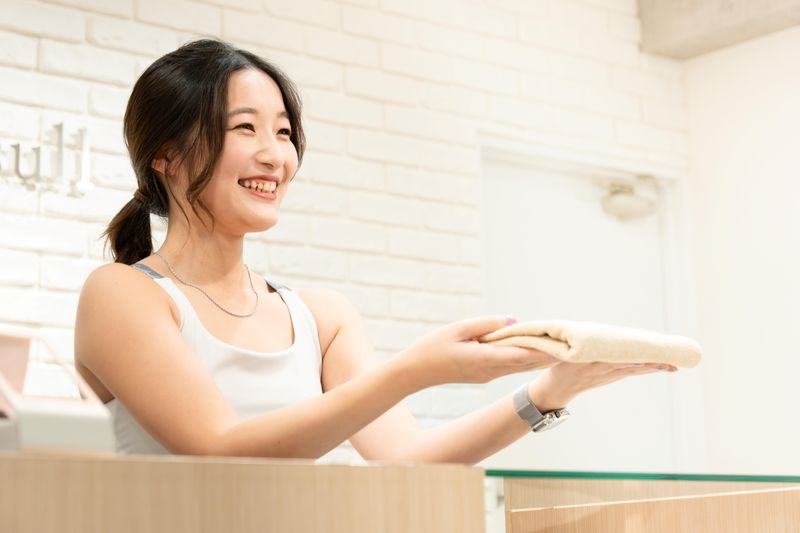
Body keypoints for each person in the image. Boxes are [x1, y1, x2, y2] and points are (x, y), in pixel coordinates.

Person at [74, 39, 673, 462]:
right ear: (166, 155)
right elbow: (220, 449)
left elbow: (405, 458)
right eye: (245, 128)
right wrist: (412, 371)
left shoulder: (321, 317)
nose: (275, 155)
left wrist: (548, 393)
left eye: (283, 131)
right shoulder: (123, 294)